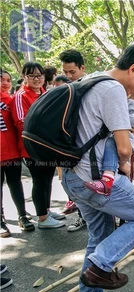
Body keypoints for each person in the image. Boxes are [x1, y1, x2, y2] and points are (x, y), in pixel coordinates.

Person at [61, 44, 134, 292]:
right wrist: (125, 166)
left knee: (100, 234)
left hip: (72, 177)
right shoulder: (113, 88)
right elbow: (124, 147)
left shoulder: (90, 78)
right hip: (93, 178)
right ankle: (99, 266)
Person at [11, 62, 66, 229]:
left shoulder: (44, 93)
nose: (37, 79)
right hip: (32, 148)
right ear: (24, 77)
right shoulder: (21, 96)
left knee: (48, 179)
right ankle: (42, 217)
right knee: (39, 180)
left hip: (47, 146)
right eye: (32, 75)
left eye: (40, 75)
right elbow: (21, 122)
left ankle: (46, 211)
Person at [84, 97, 134, 196]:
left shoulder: (132, 103)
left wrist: (113, 118)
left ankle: (108, 178)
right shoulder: (107, 101)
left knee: (111, 145)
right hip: (106, 139)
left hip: (121, 140)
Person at [1, 69, 33, 236]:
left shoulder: (12, 100)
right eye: (2, 79)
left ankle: (22, 215)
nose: (5, 83)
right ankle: (0, 220)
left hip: (12, 151)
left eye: (8, 80)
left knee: (15, 183)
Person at [59, 49, 87, 229]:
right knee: (72, 185)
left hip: (88, 146)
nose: (69, 76)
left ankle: (91, 219)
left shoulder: (91, 87)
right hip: (69, 146)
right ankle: (82, 216)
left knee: (89, 184)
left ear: (82, 68)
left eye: (72, 72)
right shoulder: (64, 90)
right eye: (65, 72)